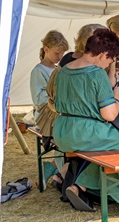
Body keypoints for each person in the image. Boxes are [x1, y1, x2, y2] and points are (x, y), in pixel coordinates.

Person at [53, 29, 119, 216]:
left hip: (62, 131)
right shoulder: (95, 73)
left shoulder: (64, 69)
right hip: (85, 133)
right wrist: (116, 96)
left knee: (110, 149)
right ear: (102, 54)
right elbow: (109, 114)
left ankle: (83, 185)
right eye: (110, 60)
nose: (109, 63)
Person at [36, 24, 110, 193]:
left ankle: (63, 175)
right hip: (67, 123)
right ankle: (83, 185)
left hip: (63, 122)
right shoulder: (85, 64)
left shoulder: (68, 58)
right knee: (108, 133)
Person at [29, 30, 69, 190]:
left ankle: (58, 170)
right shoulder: (38, 71)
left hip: (59, 111)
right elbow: (38, 100)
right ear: (46, 49)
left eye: (62, 53)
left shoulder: (58, 69)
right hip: (45, 115)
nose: (60, 57)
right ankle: (63, 174)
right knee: (64, 133)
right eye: (57, 53)